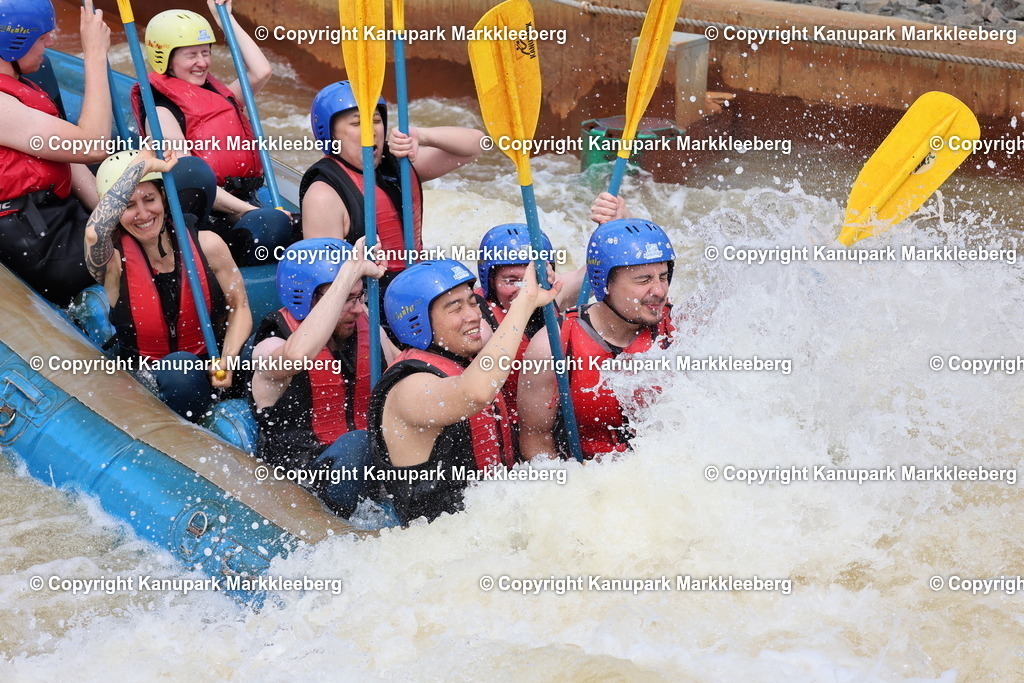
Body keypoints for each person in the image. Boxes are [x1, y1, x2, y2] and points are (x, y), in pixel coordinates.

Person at [369, 259, 561, 524]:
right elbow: (475, 394)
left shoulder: (465, 364)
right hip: (441, 547)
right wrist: (523, 303)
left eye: (472, 302)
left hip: (493, 521)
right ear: (416, 321)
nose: (473, 315)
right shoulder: (409, 387)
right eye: (455, 308)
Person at [83, 149, 252, 419]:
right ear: (114, 211)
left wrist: (228, 357)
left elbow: (240, 306)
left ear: (163, 197)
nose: (142, 213)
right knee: (180, 370)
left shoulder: (208, 245)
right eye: (128, 206)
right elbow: (94, 232)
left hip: (212, 366)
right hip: (152, 381)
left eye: (149, 199)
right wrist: (141, 167)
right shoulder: (113, 264)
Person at [134, 1, 289, 264]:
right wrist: (250, 210)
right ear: (165, 58)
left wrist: (224, 19)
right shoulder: (161, 112)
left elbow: (262, 71)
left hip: (242, 202)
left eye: (206, 53)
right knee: (274, 225)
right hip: (207, 218)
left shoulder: (216, 93)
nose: (202, 63)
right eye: (191, 55)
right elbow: (191, 178)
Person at [250, 237, 393, 516]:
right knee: (357, 444)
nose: (357, 308)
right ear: (303, 297)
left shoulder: (367, 325)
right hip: (304, 479)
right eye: (346, 298)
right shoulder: (270, 345)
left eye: (359, 296)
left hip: (368, 471)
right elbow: (296, 357)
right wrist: (349, 272)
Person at [518, 219, 675, 460]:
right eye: (644, 280)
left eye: (663, 277)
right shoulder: (553, 346)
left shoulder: (678, 329)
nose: (659, 291)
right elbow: (537, 440)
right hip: (592, 480)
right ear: (605, 283)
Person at [301, 80, 484, 283]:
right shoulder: (323, 195)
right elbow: (324, 282)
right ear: (330, 135)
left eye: (376, 120)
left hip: (415, 284)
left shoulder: (398, 164)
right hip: (371, 302)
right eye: (356, 123)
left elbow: (476, 146)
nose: (371, 131)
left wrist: (421, 135)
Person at [0, 0, 112, 305]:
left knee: (156, 226)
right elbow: (92, 146)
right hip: (38, 243)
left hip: (58, 217)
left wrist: (110, 214)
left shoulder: (20, 86)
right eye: (41, 37)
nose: (50, 42)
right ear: (13, 43)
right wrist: (94, 56)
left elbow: (69, 159)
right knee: (148, 251)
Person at [474, 223, 583, 426]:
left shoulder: (552, 293)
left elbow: (595, 272)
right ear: (490, 280)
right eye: (511, 280)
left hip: (545, 426)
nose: (525, 290)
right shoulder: (478, 320)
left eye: (531, 278)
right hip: (513, 433)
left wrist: (619, 219)